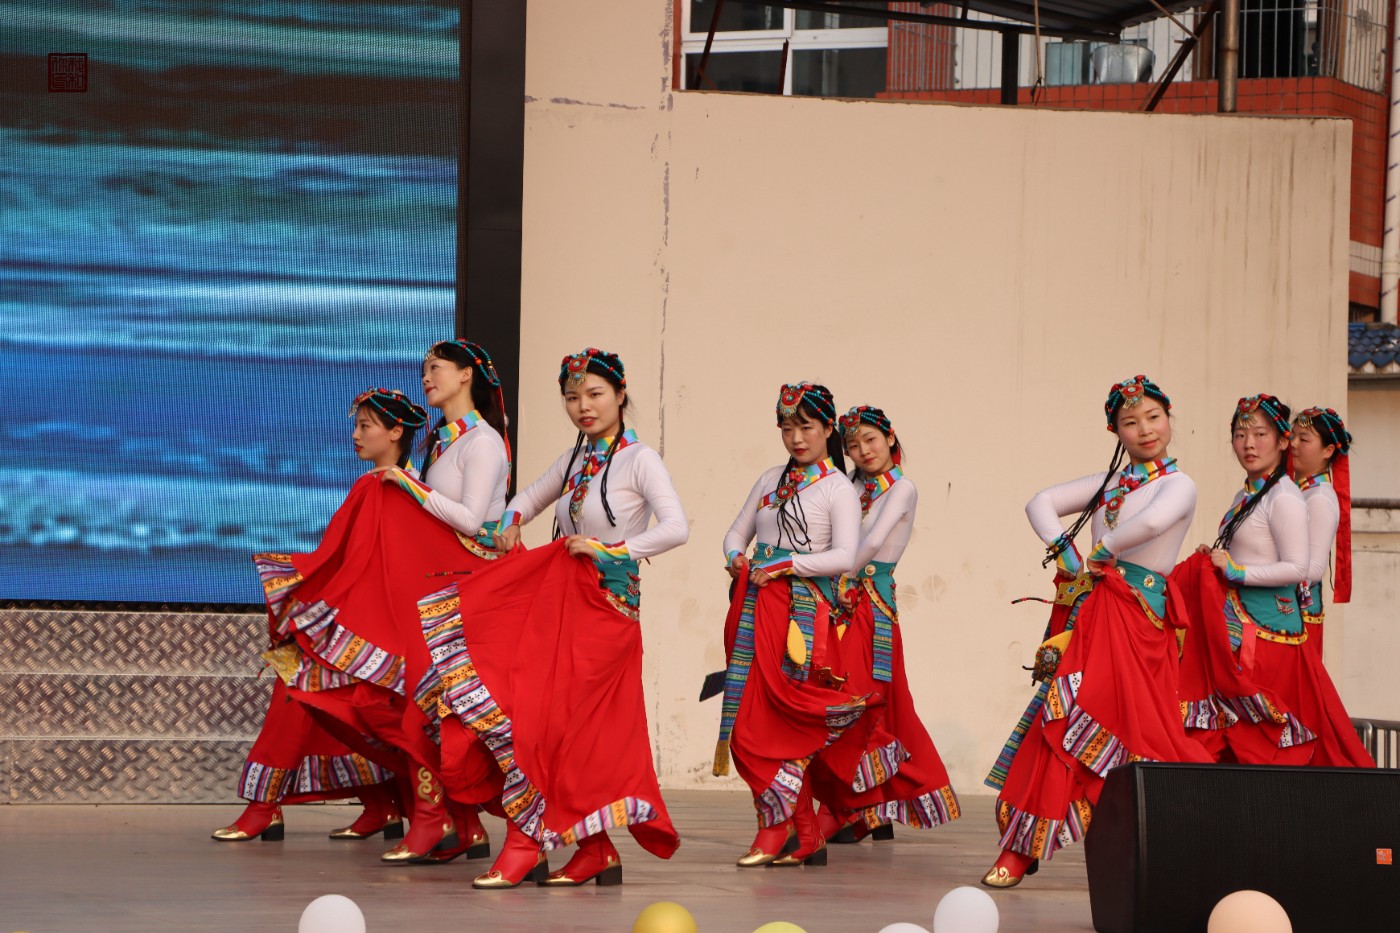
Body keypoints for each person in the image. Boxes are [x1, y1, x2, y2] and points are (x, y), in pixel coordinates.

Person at [421, 347, 689, 889]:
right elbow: (527, 497)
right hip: (565, 604)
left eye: (595, 394)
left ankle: (527, 843)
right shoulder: (575, 460)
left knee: (551, 724)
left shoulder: (640, 459)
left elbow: (676, 527)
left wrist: (612, 550)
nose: (583, 406)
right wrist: (513, 519)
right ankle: (595, 850)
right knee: (565, 729)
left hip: (607, 611)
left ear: (620, 395)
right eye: (572, 397)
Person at [269, 341, 512, 863]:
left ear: (466, 375)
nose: (427, 377)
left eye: (436, 368)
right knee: (409, 702)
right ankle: (461, 824)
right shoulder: (444, 442)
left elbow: (472, 521)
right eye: (425, 369)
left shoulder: (483, 442)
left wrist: (404, 482)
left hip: (468, 592)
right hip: (436, 587)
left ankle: (441, 818)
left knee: (424, 705)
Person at [984, 375, 1211, 888]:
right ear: (1116, 431)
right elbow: (1039, 502)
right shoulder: (1111, 483)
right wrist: (1066, 551)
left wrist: (1103, 550)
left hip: (1140, 620)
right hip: (1096, 612)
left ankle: (1173, 843)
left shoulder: (1179, 484)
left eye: (1153, 417)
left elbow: (1151, 526)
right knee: (1063, 713)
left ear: (1169, 419)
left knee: (1142, 730)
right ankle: (1020, 846)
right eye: (1131, 422)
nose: (1145, 429)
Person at [211, 388, 425, 843]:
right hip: (366, 622)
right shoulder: (386, 484)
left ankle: (264, 807)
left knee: (296, 692)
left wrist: (297, 584)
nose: (356, 435)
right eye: (357, 426)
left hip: (362, 622)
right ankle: (382, 805)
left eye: (366, 426)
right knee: (335, 706)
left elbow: (353, 561)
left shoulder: (384, 486)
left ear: (395, 432)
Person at [714, 382, 871, 869]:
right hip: (754, 607)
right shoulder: (769, 479)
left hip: (800, 618)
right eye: (787, 428)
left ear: (829, 428)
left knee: (779, 723)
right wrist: (737, 556)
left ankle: (776, 827)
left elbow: (845, 555)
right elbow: (735, 532)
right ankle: (805, 832)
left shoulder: (838, 488)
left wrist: (787, 565)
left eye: (806, 427)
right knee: (746, 720)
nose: (796, 438)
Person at [1175, 395, 1371, 769]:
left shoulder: (1291, 497)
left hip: (1266, 632)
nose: (1248, 444)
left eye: (1260, 434)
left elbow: (1302, 568)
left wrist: (1236, 572)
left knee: (1263, 735)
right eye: (1240, 435)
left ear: (1281, 442)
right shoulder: (1252, 493)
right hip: (1244, 619)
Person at [809, 405, 960, 845]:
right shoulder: (849, 484)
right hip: (838, 598)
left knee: (862, 699)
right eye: (853, 445)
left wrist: (839, 575)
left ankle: (844, 808)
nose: (863, 451)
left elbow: (873, 541)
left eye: (871, 440)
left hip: (870, 603)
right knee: (839, 696)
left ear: (890, 438)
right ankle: (863, 809)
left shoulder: (902, 488)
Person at [1290, 406, 1352, 659]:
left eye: (1304, 439)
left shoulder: (1319, 498)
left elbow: (1313, 570)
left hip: (1297, 611)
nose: (1293, 444)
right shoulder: (1299, 491)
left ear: (1328, 451)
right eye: (1292, 436)